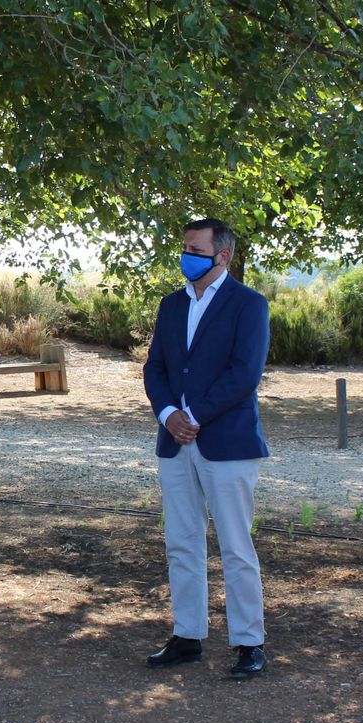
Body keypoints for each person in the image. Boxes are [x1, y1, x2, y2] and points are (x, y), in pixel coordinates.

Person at [142, 217, 271, 679]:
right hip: (174, 443)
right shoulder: (172, 304)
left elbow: (244, 373)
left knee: (236, 546)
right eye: (184, 248)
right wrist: (168, 415)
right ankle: (187, 635)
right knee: (181, 542)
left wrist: (194, 416)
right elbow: (154, 367)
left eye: (195, 249)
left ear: (223, 255)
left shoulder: (249, 304)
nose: (186, 256)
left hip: (227, 442)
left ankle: (248, 642)